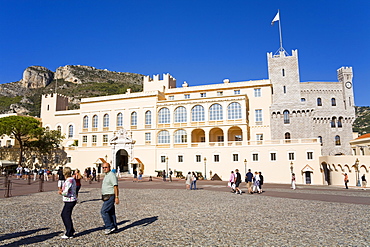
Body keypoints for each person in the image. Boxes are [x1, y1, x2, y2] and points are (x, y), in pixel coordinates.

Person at [101, 163, 119, 235]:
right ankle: (114, 227)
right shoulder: (106, 175)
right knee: (111, 212)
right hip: (106, 196)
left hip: (110, 196)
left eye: (106, 167)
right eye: (103, 167)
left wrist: (117, 197)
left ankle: (109, 226)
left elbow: (115, 186)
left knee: (104, 211)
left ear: (109, 167)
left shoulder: (111, 175)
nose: (104, 168)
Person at [59, 167, 77, 239]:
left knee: (65, 215)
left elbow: (66, 192)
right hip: (70, 199)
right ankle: (71, 230)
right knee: (66, 215)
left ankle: (69, 232)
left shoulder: (69, 181)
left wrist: (61, 193)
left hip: (70, 200)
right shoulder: (72, 179)